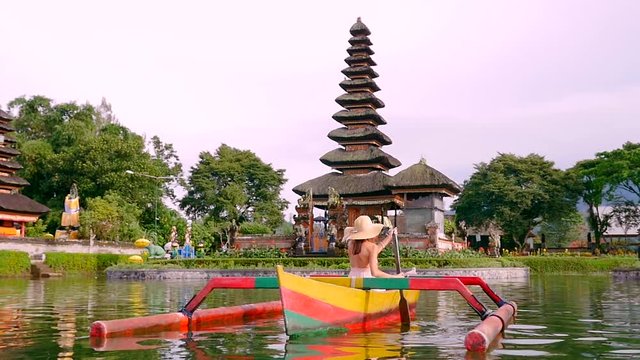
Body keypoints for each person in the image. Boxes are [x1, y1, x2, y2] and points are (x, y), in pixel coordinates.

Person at [343, 215, 409, 278]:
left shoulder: (351, 244)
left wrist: (389, 237)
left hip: (352, 278)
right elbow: (375, 273)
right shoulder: (371, 247)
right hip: (366, 280)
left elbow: (372, 251)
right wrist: (395, 277)